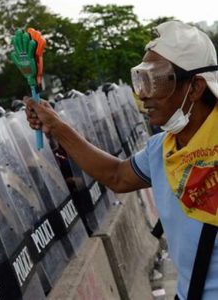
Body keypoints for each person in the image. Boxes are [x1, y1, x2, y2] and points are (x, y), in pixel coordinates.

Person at [25, 21, 218, 300]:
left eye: (156, 80)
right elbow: (117, 175)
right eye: (140, 80)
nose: (143, 94)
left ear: (196, 87)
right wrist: (56, 127)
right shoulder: (163, 149)